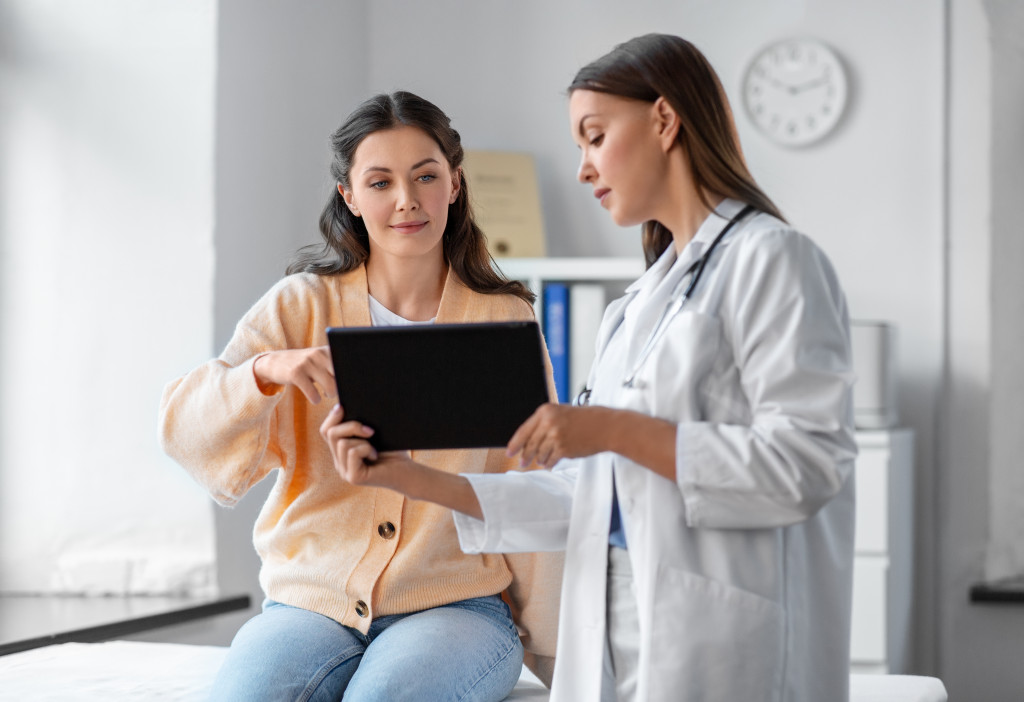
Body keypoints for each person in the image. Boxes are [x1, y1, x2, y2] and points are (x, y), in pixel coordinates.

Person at [321, 35, 857, 702]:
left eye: (595, 137)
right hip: (622, 631)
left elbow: (807, 464)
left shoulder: (773, 259)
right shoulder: (635, 307)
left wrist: (611, 429)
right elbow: (583, 498)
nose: (582, 168)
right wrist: (412, 477)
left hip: (721, 642)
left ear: (664, 121)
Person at [158, 91, 562, 702]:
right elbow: (185, 433)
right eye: (380, 182)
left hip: (457, 608)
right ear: (349, 195)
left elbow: (531, 486)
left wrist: (559, 654)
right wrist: (265, 370)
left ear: (454, 184)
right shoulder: (300, 305)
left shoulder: (501, 320)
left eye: (426, 176)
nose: (407, 200)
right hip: (309, 604)